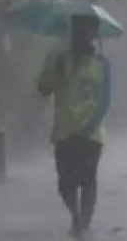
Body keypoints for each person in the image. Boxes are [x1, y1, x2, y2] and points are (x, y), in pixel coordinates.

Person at [36, 14, 111, 239]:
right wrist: (53, 69)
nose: (84, 38)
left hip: (91, 133)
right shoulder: (59, 61)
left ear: (94, 36)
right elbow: (43, 89)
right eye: (80, 33)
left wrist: (92, 125)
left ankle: (84, 224)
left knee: (88, 179)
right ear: (73, 36)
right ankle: (76, 217)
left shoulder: (102, 64)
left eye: (89, 33)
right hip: (64, 131)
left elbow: (105, 99)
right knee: (65, 182)